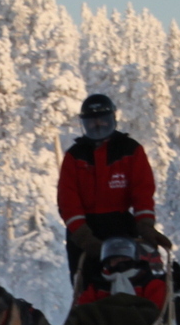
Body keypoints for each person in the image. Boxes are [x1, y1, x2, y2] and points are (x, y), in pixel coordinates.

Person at [58, 94, 168, 290]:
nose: (98, 126)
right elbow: (68, 201)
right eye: (91, 123)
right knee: (86, 284)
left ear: (113, 120)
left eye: (103, 121)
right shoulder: (75, 156)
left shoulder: (130, 150)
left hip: (121, 224)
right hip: (85, 229)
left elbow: (142, 191)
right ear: (83, 124)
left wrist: (145, 226)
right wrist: (84, 238)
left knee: (133, 278)